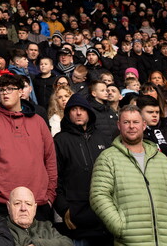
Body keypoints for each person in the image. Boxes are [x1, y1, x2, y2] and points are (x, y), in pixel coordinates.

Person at [89, 104, 167, 246]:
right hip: (131, 241)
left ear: (143, 125)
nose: (131, 126)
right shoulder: (107, 157)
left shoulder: (160, 158)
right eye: (126, 122)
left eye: (135, 122)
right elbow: (98, 195)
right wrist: (120, 228)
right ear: (119, 125)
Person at [0, 73, 57, 219]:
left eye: (10, 89)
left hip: (37, 203)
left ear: (20, 91)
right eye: (2, 90)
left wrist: (50, 195)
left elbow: (50, 159)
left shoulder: (39, 122)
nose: (5, 93)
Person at [53, 92, 112, 243]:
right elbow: (54, 178)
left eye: (82, 109)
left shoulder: (103, 138)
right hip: (76, 220)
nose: (78, 113)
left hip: (105, 217)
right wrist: (64, 209)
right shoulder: (60, 141)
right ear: (67, 114)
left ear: (89, 112)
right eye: (73, 109)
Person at [5, 186, 72, 246]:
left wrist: (37, 244)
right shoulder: (1, 229)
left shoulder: (45, 226)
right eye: (17, 203)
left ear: (35, 208)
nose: (23, 208)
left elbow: (67, 243)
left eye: (28, 204)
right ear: (8, 207)